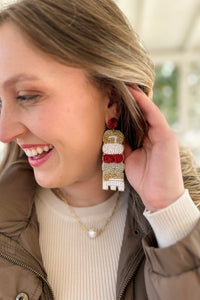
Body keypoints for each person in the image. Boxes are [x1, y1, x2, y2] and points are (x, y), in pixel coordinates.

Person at [0, 0, 199, 299]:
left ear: (111, 99)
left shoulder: (184, 220)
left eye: (27, 96)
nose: (5, 133)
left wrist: (169, 214)